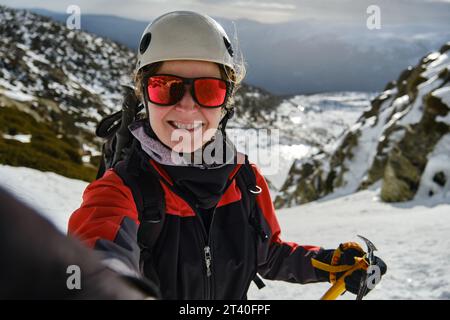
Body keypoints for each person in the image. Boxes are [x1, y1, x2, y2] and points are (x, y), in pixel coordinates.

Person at [68, 11, 386, 300]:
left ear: (226, 103)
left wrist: (330, 265)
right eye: (166, 87)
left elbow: (268, 255)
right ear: (144, 94)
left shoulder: (246, 179)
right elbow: (96, 262)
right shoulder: (119, 191)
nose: (188, 106)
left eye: (208, 90)